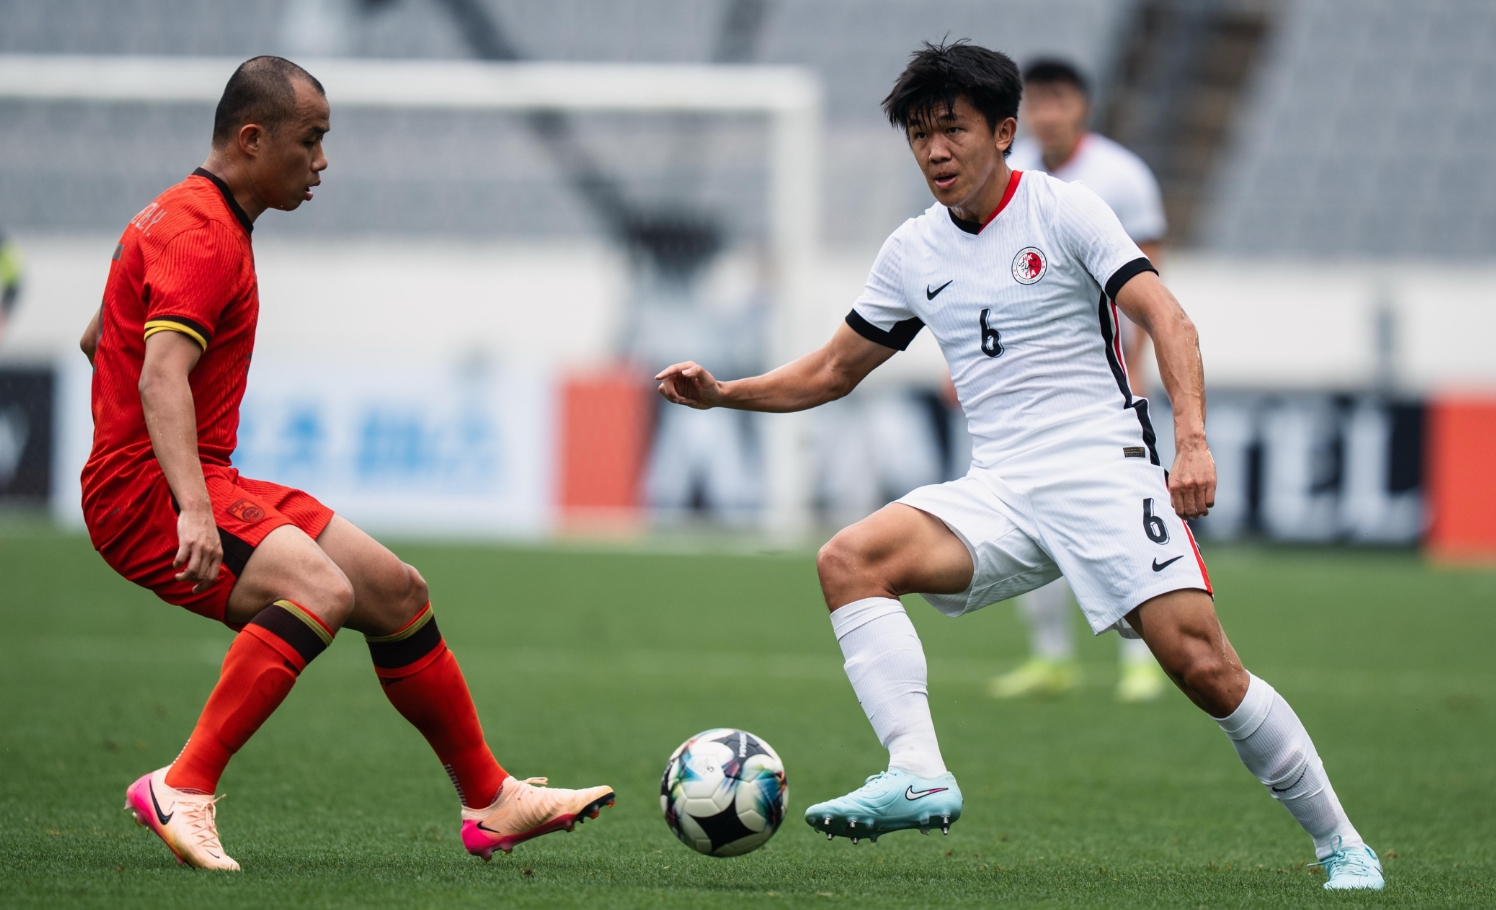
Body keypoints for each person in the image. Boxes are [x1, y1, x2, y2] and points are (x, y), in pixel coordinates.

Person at [655, 41, 1382, 890]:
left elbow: (1169, 320)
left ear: (1004, 132)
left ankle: (1342, 843)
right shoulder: (913, 250)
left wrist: (1190, 440)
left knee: (1204, 666)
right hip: (999, 488)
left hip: (1103, 471)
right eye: (921, 135)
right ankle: (919, 768)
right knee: (850, 560)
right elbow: (831, 371)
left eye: (952, 131)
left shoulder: (1065, 212)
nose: (935, 152)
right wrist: (723, 393)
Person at [79, 57, 613, 871]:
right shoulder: (201, 235)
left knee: (395, 591)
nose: (323, 161)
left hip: (199, 473)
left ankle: (490, 798)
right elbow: (160, 374)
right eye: (312, 139)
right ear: (253, 139)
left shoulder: (179, 215)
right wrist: (190, 505)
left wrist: (175, 456)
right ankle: (182, 785)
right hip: (152, 490)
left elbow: (100, 342)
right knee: (317, 590)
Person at [996, 58, 1170, 702]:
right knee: (1026, 508)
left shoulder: (1120, 177)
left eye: (1058, 100)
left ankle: (1144, 661)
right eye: (1036, 101)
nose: (1047, 113)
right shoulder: (1011, 175)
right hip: (1031, 382)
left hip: (1111, 378)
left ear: (1082, 107)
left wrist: (1140, 354)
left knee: (1124, 514)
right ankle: (1051, 658)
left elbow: (1151, 274)